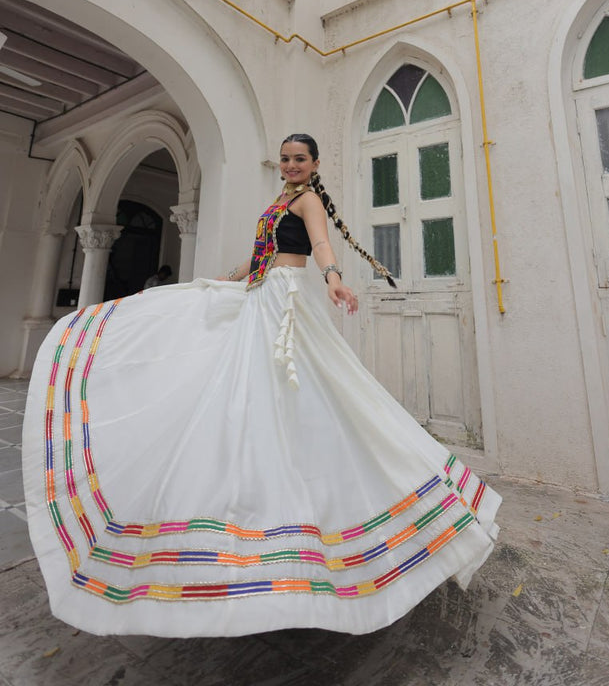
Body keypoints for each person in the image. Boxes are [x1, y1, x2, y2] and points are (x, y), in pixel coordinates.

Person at [22, 134, 501, 638]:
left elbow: (319, 245)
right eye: (287, 159)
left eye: (301, 159)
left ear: (316, 164)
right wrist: (237, 274)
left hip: (287, 301)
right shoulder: (277, 202)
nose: (292, 165)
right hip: (261, 294)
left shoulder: (309, 199)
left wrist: (334, 277)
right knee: (244, 388)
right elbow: (267, 254)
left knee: (318, 394)